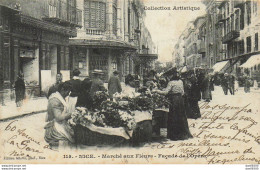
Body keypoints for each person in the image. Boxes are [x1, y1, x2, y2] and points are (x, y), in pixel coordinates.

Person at [153, 68, 193, 141]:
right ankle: (183, 134)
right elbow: (182, 92)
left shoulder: (171, 83)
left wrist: (156, 91)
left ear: (171, 76)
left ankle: (174, 135)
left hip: (174, 100)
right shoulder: (180, 81)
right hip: (180, 100)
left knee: (173, 116)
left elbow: (165, 92)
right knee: (181, 116)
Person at [44, 81, 74, 149]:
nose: (68, 94)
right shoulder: (55, 100)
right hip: (55, 128)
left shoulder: (59, 98)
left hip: (60, 125)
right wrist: (71, 114)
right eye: (67, 92)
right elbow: (58, 117)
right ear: (63, 90)